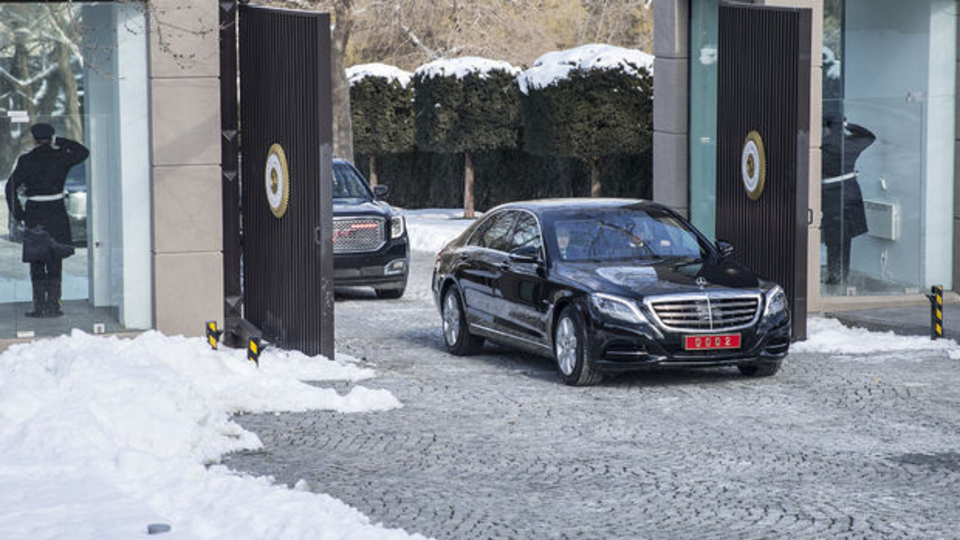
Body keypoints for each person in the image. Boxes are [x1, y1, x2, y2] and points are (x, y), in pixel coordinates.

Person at [4, 123, 89, 317]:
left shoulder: (26, 160)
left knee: (38, 262)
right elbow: (83, 151)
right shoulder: (61, 156)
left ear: (34, 139)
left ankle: (39, 306)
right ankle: (54, 306)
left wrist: (19, 213)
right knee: (55, 262)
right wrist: (60, 141)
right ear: (51, 138)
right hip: (56, 212)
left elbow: (10, 188)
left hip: (35, 213)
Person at [821, 108, 875, 285]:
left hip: (829, 194)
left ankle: (833, 275)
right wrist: (848, 125)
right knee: (845, 239)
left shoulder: (822, 146)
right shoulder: (850, 143)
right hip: (850, 193)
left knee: (833, 238)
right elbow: (869, 136)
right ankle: (841, 275)